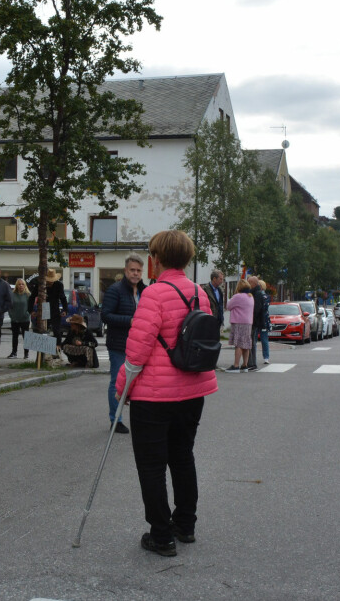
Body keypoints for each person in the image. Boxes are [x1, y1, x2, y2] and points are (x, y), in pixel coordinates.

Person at [116, 230, 218, 558]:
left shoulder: (154, 294)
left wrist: (122, 389)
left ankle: (161, 535)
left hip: (154, 396)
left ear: (156, 259)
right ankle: (185, 524)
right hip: (193, 391)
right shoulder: (201, 294)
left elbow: (137, 352)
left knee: (152, 466)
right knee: (182, 456)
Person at [101, 254, 146, 434]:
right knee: (117, 382)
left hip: (140, 345)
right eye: (132, 270)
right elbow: (106, 315)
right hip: (119, 345)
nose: (135, 273)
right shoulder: (115, 290)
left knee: (139, 384)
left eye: (138, 270)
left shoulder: (145, 291)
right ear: (125, 270)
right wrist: (130, 321)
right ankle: (116, 420)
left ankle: (139, 419)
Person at [225, 279, 254, 372]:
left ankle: (236, 365)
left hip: (239, 322)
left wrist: (230, 299)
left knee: (238, 344)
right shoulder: (250, 297)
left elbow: (228, 306)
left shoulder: (238, 296)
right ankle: (245, 365)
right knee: (246, 344)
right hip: (248, 323)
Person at [8, 278, 31, 359]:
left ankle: (26, 353)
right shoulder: (12, 294)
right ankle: (14, 352)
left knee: (26, 337)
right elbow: (9, 306)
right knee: (15, 336)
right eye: (19, 284)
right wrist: (11, 315)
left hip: (25, 319)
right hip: (15, 319)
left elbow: (30, 306)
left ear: (25, 285)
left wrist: (27, 314)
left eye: (22, 284)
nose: (21, 286)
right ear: (16, 285)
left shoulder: (28, 295)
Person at [246, 275, 265, 371]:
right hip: (254, 321)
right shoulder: (257, 292)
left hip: (253, 321)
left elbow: (256, 309)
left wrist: (250, 317)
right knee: (252, 342)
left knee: (251, 342)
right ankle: (251, 363)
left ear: (253, 283)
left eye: (249, 282)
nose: (247, 284)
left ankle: (252, 363)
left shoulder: (256, 294)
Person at [258, 280, 271, 365]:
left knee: (264, 339)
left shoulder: (266, 296)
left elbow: (264, 307)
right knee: (254, 339)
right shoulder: (255, 295)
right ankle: (251, 358)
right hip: (258, 319)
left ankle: (266, 357)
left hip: (263, 320)